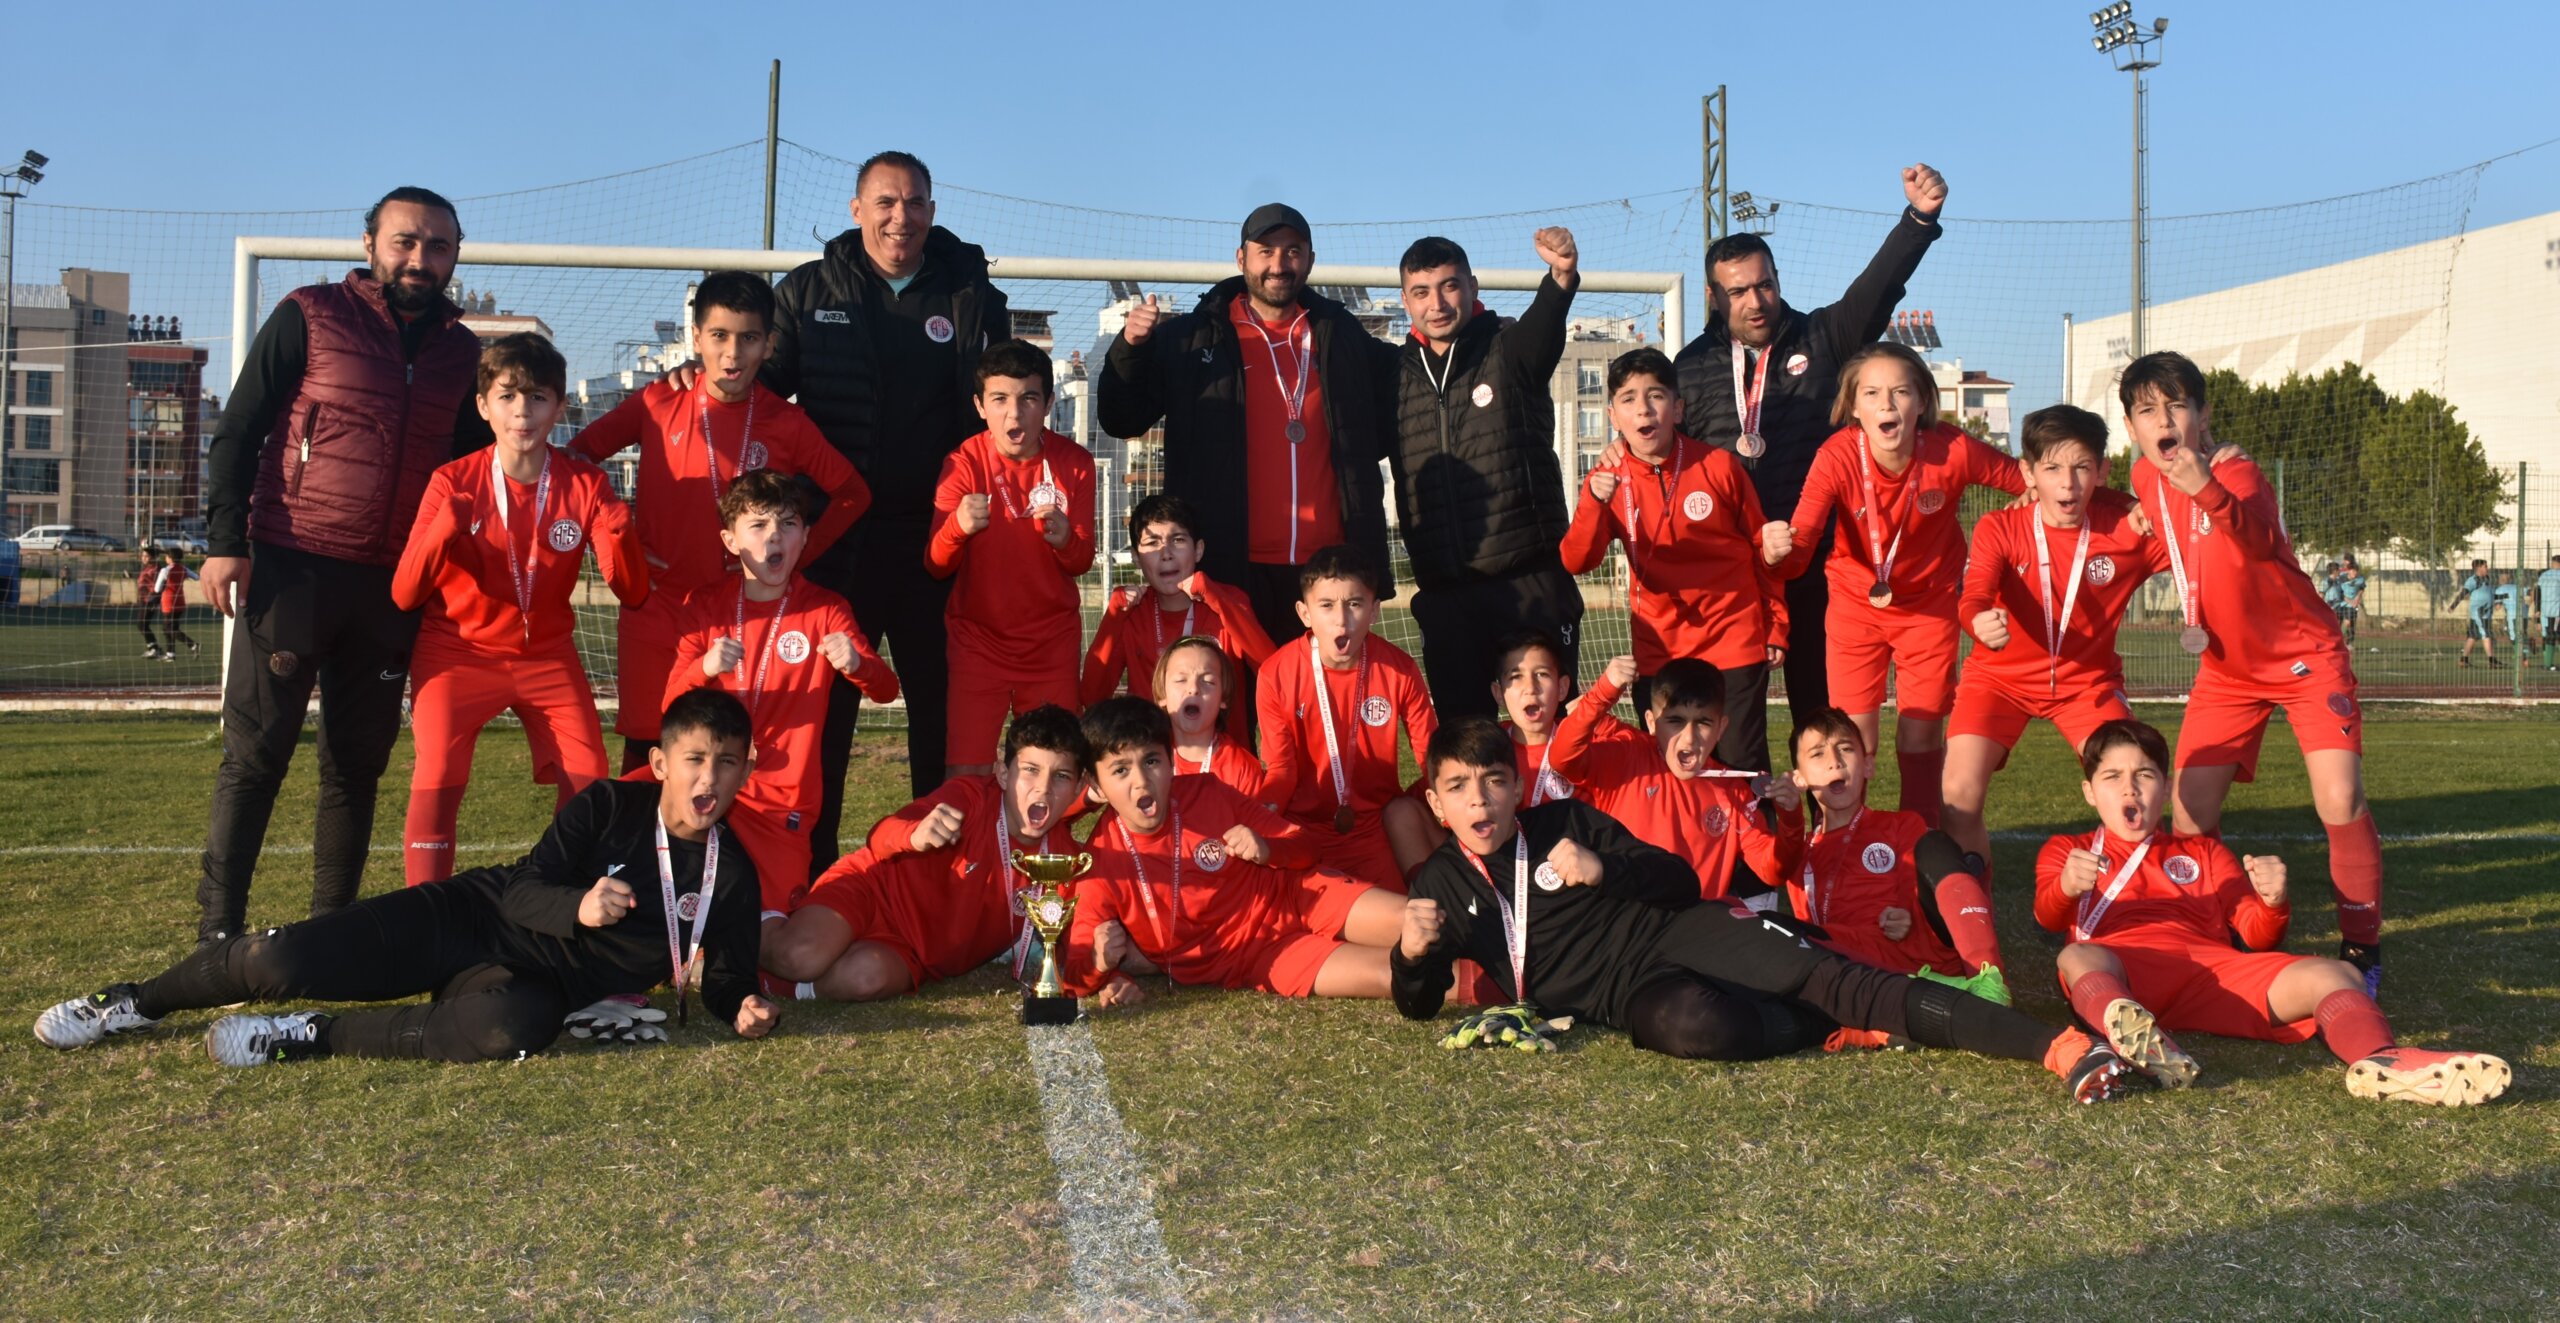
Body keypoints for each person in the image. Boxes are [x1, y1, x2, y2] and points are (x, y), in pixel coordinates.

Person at [1391, 718, 2146, 1102]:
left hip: (1681, 928)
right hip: (1628, 999)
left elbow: (1677, 879)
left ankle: (2054, 1047)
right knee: (1690, 1031)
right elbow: (1416, 1005)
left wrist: (1604, 865)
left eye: (1492, 780)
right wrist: (1411, 955)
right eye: (1459, 787)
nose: (1479, 800)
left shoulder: (1562, 824)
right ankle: (1842, 1022)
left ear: (1515, 787)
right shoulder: (1437, 882)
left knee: (1832, 978)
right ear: (1435, 800)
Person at [34, 689, 779, 1065]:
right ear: (660, 763)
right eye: (695, 758)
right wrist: (578, 906)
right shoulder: (611, 803)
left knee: (512, 1030)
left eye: (726, 761)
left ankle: (307, 1037)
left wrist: (740, 1003)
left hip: (538, 983)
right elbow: (524, 890)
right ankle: (133, 1001)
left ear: (745, 769)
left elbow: (725, 975)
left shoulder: (733, 875)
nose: (709, 776)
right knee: (281, 957)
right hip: (475, 916)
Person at [192, 186, 491, 945]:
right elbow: (239, 429)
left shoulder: (464, 352)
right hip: (295, 564)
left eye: (439, 246)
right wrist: (226, 540)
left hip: (394, 584)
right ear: (369, 245)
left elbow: (468, 470)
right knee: (257, 757)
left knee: (357, 767)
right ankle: (218, 933)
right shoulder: (310, 313)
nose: (421, 259)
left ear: (456, 255)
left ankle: (331, 936)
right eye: (405, 242)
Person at [2037, 719, 2508, 1106]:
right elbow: (2047, 916)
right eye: (2112, 777)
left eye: (2144, 775)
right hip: (2125, 973)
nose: (2130, 789)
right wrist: (2065, 887)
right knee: (2076, 958)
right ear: (2089, 792)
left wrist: (2272, 902)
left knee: (2337, 973)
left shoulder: (2203, 852)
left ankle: (2382, 1061)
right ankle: (2141, 1037)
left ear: (2166, 788)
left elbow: (2257, 936)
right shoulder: (2069, 849)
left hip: (2213, 975)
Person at [2120, 351, 2387, 995]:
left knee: (2340, 799)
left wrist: (2202, 488)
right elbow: (2172, 537)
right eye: (2147, 410)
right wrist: (2132, 518)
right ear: (2131, 425)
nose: (2163, 420)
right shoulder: (2142, 475)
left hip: (2304, 658)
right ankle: (2237, 918)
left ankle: (2363, 948)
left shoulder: (2236, 472)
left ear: (2202, 415)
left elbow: (2260, 542)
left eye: (2176, 405)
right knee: (2187, 815)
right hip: (2226, 669)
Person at [764, 151, 1014, 838]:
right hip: (838, 543)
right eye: (885, 202)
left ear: (932, 212)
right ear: (857, 210)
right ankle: (807, 878)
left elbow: (1006, 406)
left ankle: (939, 886)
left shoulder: (971, 296)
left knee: (940, 717)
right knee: (825, 717)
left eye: (913, 203)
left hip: (936, 546)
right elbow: (758, 393)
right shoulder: (810, 293)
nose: (899, 216)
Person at [1670, 165, 1950, 731]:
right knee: (1729, 727)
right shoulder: (1690, 366)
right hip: (1734, 571)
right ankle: (1743, 822)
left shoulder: (1823, 337)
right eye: (1739, 290)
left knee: (1823, 722)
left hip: (1818, 565)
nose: (1756, 300)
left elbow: (1878, 289)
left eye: (1764, 284)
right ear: (1713, 296)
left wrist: (1918, 220)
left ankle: (1831, 821)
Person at [571, 270, 869, 771]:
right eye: (719, 336)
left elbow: (852, 494)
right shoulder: (657, 402)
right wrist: (612, 538)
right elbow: (576, 459)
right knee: (647, 750)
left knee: (732, 750)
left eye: (749, 338)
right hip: (657, 603)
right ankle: (635, 853)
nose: (733, 354)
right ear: (696, 339)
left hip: (740, 614)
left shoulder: (786, 422)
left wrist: (790, 559)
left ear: (769, 345)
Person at [392, 333, 649, 884]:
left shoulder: (587, 485)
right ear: (483, 406)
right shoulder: (452, 481)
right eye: (507, 396)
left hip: (546, 656)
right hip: (456, 653)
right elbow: (405, 594)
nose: (522, 412)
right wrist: (443, 531)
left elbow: (631, 592)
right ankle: (426, 911)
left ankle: (553, 894)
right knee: (437, 773)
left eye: (537, 397)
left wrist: (620, 536)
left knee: (590, 777)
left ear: (559, 406)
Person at [1098, 203, 1400, 648]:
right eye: (1266, 251)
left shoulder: (1342, 333)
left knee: (1319, 712)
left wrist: (1482, 334)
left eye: (1293, 251)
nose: (1279, 264)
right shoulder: (1192, 337)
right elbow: (1121, 418)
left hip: (1328, 571)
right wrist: (1129, 349)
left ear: (1311, 259)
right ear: (1241, 259)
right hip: (1228, 568)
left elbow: (1410, 377)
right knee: (1231, 709)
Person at [1760, 343, 2029, 825]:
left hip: (1929, 611)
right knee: (1848, 743)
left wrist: (2129, 506)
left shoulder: (1953, 449)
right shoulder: (1837, 456)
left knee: (1920, 737)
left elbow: (2030, 480)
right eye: (1872, 393)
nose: (1886, 404)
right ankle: (1845, 854)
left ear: (1921, 401)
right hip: (1854, 610)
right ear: (1854, 406)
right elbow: (1797, 555)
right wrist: (1777, 550)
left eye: (1900, 392)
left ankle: (1919, 851)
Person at [1060, 698, 1409, 1009]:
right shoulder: (1102, 863)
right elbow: (1073, 975)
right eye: (1120, 770)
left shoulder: (1207, 791)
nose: (1141, 781)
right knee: (1390, 976)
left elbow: (1307, 845)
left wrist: (1268, 848)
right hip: (1260, 957)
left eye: (1152, 761)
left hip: (1298, 895)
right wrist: (1099, 962)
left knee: (1415, 925)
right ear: (1095, 784)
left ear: (1170, 762)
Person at [1942, 404, 2165, 877]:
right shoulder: (2000, 527)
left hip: (2087, 686)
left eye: (2083, 467)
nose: (2068, 484)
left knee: (2135, 788)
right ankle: (1972, 920)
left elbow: (2194, 535)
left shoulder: (2128, 528)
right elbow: (1975, 591)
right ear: (2027, 472)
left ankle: (2140, 908)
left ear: (2102, 470)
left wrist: (2137, 501)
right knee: (1958, 796)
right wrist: (1978, 619)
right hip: (1997, 682)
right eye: (2052, 468)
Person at [665, 469, 899, 920]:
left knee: (772, 927)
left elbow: (886, 689)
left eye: (788, 524)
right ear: (730, 540)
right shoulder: (705, 606)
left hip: (781, 798)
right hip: (706, 782)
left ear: (805, 536)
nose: (775, 536)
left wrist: (857, 664)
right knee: (679, 907)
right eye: (758, 525)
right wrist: (705, 668)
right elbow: (669, 704)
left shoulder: (826, 608)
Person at [760, 705, 1089, 1002]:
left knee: (864, 978)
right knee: (800, 955)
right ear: (1003, 774)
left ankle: (795, 986)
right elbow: (881, 835)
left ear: (1077, 788)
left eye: (1060, 776)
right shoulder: (970, 799)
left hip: (914, 952)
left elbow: (1083, 935)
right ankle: (742, 934)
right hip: (872, 891)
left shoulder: (1063, 862)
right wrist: (914, 835)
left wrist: (1111, 970)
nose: (1043, 788)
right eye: (1030, 770)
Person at [1388, 229, 1586, 718]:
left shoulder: (1508, 348)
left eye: (1449, 286)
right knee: (1467, 748)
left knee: (1549, 746)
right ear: (1405, 300)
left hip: (1528, 585)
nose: (1437, 303)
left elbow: (1543, 327)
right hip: (1446, 597)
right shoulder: (1393, 375)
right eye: (1421, 292)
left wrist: (1560, 278)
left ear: (1473, 287)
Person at [1559, 347, 1786, 771]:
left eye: (1656, 396)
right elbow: (1576, 561)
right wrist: (1593, 501)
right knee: (1670, 773)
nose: (1643, 409)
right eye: (1628, 399)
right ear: (1613, 416)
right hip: (1659, 649)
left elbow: (1764, 551)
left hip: (1732, 641)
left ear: (1677, 408)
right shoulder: (1606, 478)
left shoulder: (1719, 466)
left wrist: (1776, 626)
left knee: (1741, 768)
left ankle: (1761, 839)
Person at [1787, 709, 2007, 1052]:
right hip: (1857, 964)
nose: (1834, 761)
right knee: (1793, 937)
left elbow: (1917, 881)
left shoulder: (1900, 825)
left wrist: (1908, 913)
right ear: (1799, 778)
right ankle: (1883, 1025)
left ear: (1869, 766)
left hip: (1922, 951)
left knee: (1935, 844)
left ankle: (1988, 980)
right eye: (1818, 754)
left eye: (1845, 749)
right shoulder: (1800, 853)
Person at [925, 339, 1097, 777]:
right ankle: (973, 849)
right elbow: (935, 564)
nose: (1014, 414)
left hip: (1050, 642)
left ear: (1049, 403)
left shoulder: (1074, 463)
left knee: (1053, 771)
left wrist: (1065, 541)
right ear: (980, 406)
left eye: (1028, 399)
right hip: (978, 642)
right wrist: (956, 527)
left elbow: (1080, 563)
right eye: (999, 399)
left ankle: (1044, 849)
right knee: (967, 775)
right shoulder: (962, 463)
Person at [1546, 655, 1799, 907]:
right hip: (1625, 928)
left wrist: (1790, 819)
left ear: (1721, 728)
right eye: (1675, 721)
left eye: (1703, 723)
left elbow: (1772, 870)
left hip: (1692, 936)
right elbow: (1562, 758)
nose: (1689, 739)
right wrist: (1603, 691)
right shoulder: (1627, 756)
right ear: (1651, 723)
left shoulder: (1732, 790)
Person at [1254, 544, 1437, 888]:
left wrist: (1441, 804)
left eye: (1354, 604)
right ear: (1304, 613)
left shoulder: (1399, 669)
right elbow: (1282, 768)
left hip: (1376, 827)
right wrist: (1264, 814)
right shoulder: (1275, 673)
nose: (1341, 619)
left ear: (1374, 611)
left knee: (1411, 921)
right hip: (1304, 829)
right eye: (1326, 605)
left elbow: (1430, 756)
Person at [1382, 628, 1624, 874]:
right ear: (1498, 693)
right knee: (1400, 813)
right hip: (1489, 871)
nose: (1530, 688)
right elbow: (1434, 788)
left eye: (1541, 674)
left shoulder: (1586, 744)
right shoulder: (1483, 744)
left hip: (1563, 871)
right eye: (1515, 677)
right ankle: (1433, 903)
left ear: (1562, 688)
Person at [1080, 493, 1277, 736]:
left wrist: (1217, 599)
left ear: (1198, 550)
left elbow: (1273, 671)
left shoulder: (1228, 601)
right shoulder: (1131, 613)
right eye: (1152, 543)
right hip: (1154, 764)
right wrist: (1112, 618)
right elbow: (1091, 696)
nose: (1166, 553)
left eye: (1178, 540)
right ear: (1135, 558)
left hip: (1220, 766)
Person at [1157, 634, 1272, 803]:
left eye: (1208, 681)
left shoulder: (1242, 769)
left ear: (1223, 698)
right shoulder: (1146, 757)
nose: (1193, 688)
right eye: (1181, 680)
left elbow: (1255, 827)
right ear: (1162, 694)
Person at [152, 549, 198, 659]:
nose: (165, 558)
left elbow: (157, 589)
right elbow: (197, 577)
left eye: (166, 556)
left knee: (169, 629)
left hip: (169, 602)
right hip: (180, 602)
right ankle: (170, 654)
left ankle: (193, 645)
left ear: (170, 557)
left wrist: (164, 584)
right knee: (171, 627)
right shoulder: (184, 569)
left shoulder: (165, 570)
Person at [2454, 558, 2499, 668]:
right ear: (2478, 568)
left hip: (2485, 613)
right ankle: (2492, 661)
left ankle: (2463, 660)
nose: (2487, 568)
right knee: (2486, 635)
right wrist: (2453, 606)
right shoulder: (2473, 580)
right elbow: (2464, 592)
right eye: (2485, 566)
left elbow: (2491, 593)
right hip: (2479, 614)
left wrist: (2498, 601)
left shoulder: (2487, 579)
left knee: (2473, 636)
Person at [134, 547, 163, 660]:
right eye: (142, 556)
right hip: (144, 599)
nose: (143, 558)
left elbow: (158, 586)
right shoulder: (148, 568)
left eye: (146, 556)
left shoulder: (156, 569)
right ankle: (154, 648)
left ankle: (154, 649)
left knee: (142, 624)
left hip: (150, 600)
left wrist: (154, 600)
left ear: (153, 557)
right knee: (142, 624)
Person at [2534, 553, 2560, 670]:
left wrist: (2537, 610)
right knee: (2553, 636)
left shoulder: (2543, 575)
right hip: (2556, 611)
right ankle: (2548, 664)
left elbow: (2537, 593)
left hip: (2545, 611)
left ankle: (2548, 664)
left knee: (2550, 636)